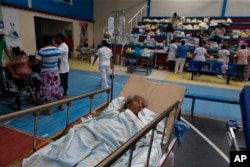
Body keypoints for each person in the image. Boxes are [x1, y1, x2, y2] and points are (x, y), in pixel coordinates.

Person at [33, 34, 64, 115]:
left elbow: (35, 63)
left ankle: (48, 110)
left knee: (47, 91)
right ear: (51, 41)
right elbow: (59, 61)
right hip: (56, 73)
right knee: (57, 89)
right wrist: (56, 68)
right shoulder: (57, 50)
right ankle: (61, 106)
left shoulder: (42, 51)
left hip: (46, 74)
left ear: (43, 42)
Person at [55, 33, 70, 104]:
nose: (55, 39)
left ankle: (65, 93)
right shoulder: (59, 46)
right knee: (58, 82)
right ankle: (57, 93)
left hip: (63, 68)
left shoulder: (64, 46)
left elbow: (56, 52)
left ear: (61, 39)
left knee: (64, 82)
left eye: (57, 38)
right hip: (59, 68)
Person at [0, 29, 14, 98]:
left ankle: (4, 93)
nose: (2, 37)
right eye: (1, 36)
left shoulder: (3, 41)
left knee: (1, 78)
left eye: (3, 36)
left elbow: (7, 52)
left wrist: (12, 60)